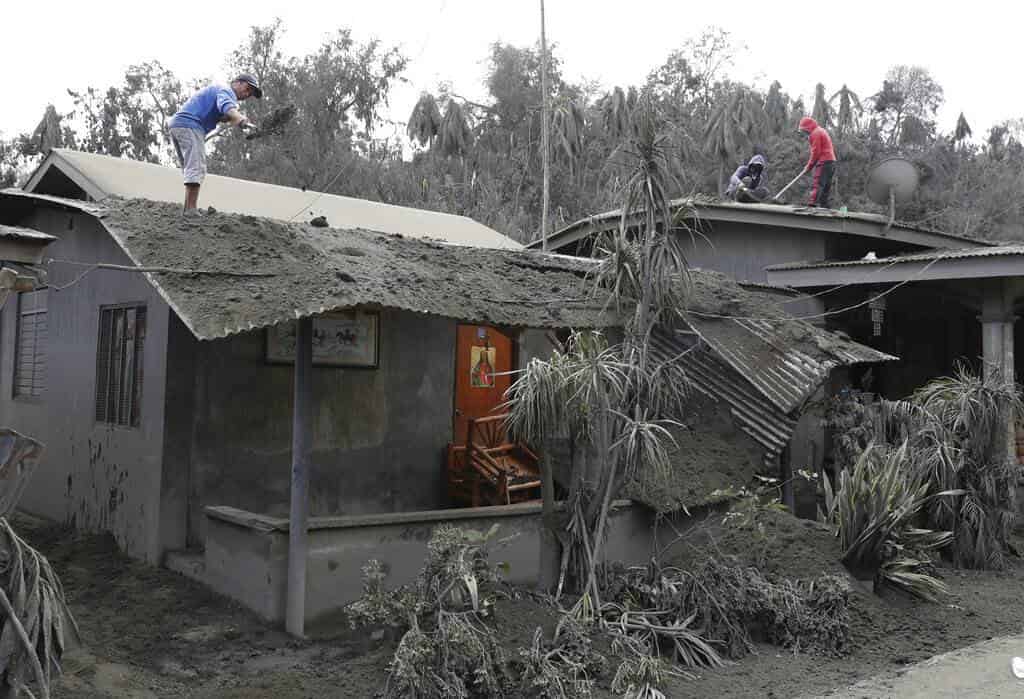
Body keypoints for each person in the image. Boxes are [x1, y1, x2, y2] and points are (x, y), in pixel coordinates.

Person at [167, 74, 263, 219]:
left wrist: (238, 121)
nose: (247, 94)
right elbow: (227, 108)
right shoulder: (226, 91)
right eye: (248, 89)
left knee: (190, 168)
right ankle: (190, 210)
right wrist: (241, 119)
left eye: (250, 94)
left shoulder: (219, 91)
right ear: (237, 82)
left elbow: (225, 115)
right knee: (197, 167)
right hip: (190, 125)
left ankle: (187, 209)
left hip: (178, 125)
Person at [797, 116, 836, 208]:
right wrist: (809, 166)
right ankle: (824, 205)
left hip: (824, 161)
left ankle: (812, 203)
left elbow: (816, 153)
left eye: (803, 132)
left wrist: (809, 166)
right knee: (826, 185)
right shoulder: (820, 130)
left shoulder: (815, 134)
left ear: (807, 128)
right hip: (831, 162)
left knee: (818, 183)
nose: (803, 135)